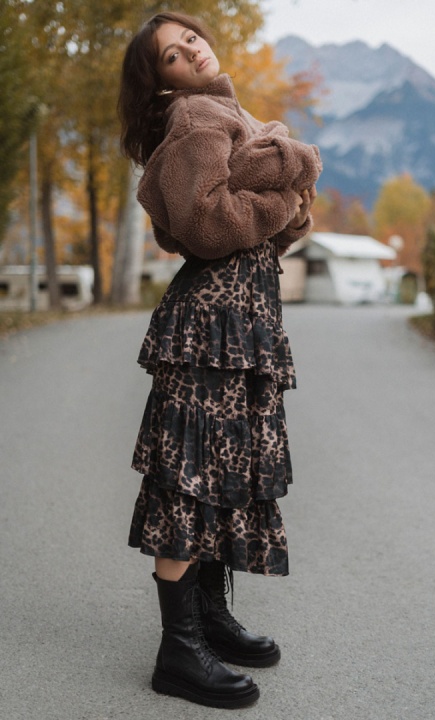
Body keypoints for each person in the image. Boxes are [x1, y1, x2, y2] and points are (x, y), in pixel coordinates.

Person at [118, 11, 322, 710]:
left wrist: (282, 198)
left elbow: (277, 226)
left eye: (190, 38)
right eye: (172, 55)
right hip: (213, 322)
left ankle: (207, 619)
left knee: (221, 470)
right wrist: (287, 185)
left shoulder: (234, 114)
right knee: (191, 476)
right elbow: (206, 224)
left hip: (242, 321)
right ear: (162, 81)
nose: (191, 51)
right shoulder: (196, 116)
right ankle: (178, 652)